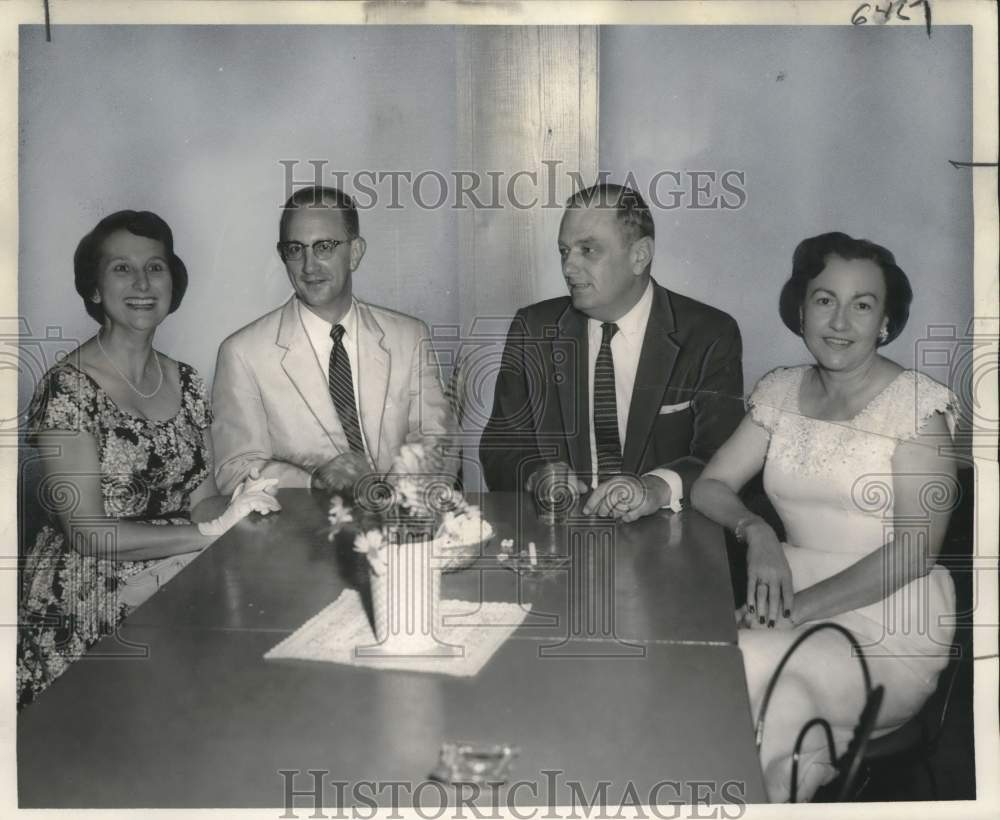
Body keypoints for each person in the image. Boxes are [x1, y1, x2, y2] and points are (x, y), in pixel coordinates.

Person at [692, 232, 958, 801]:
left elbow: (916, 553)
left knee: (736, 663)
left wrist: (797, 613)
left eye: (863, 305)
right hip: (787, 603)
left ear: (885, 322)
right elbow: (710, 485)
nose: (840, 320)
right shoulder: (780, 392)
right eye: (824, 299)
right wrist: (757, 531)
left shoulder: (917, 408)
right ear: (801, 308)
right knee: (781, 700)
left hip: (891, 623)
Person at [19, 210, 280, 708]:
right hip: (87, 592)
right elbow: (86, 533)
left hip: (173, 566)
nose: (141, 282)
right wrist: (207, 534)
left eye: (155, 267)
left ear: (172, 284)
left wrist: (239, 507)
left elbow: (202, 500)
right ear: (94, 290)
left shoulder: (185, 381)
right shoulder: (67, 389)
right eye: (121, 268)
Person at [479, 183, 744, 520]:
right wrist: (536, 475)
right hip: (561, 534)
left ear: (639, 255)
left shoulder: (709, 334)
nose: (568, 268)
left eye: (588, 250)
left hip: (669, 531)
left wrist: (656, 487)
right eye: (564, 251)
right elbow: (499, 447)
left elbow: (723, 457)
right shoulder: (533, 328)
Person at [211, 186, 454, 496]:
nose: (309, 266)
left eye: (324, 246)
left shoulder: (410, 337)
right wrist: (312, 482)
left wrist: (390, 495)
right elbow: (235, 471)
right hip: (300, 534)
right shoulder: (243, 353)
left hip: (400, 527)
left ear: (355, 253)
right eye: (296, 249)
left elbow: (437, 440)